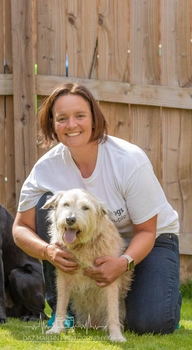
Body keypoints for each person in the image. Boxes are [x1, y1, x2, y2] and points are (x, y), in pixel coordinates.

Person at [12, 82, 181, 335]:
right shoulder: (46, 168)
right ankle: (63, 310)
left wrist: (123, 262)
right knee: (49, 206)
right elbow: (20, 228)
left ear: (94, 119)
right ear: (52, 123)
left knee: (150, 323)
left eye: (80, 116)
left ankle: (164, 300)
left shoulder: (128, 160)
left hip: (148, 239)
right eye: (62, 118)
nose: (71, 125)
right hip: (81, 240)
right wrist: (48, 252)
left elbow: (146, 230)